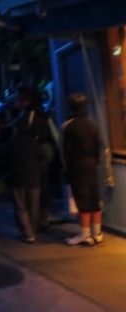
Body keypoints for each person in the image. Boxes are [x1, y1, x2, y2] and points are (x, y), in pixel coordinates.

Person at [7, 87, 51, 243]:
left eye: (18, 99)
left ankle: (28, 230)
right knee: (35, 199)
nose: (15, 102)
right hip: (34, 167)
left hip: (22, 169)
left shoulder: (26, 121)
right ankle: (35, 226)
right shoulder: (39, 117)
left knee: (21, 203)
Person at [62, 93, 104, 247]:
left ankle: (85, 235)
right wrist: (96, 160)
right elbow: (98, 145)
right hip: (92, 163)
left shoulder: (68, 126)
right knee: (95, 198)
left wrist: (66, 169)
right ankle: (97, 234)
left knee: (82, 199)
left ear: (70, 107)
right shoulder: (93, 124)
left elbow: (67, 151)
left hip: (77, 165)